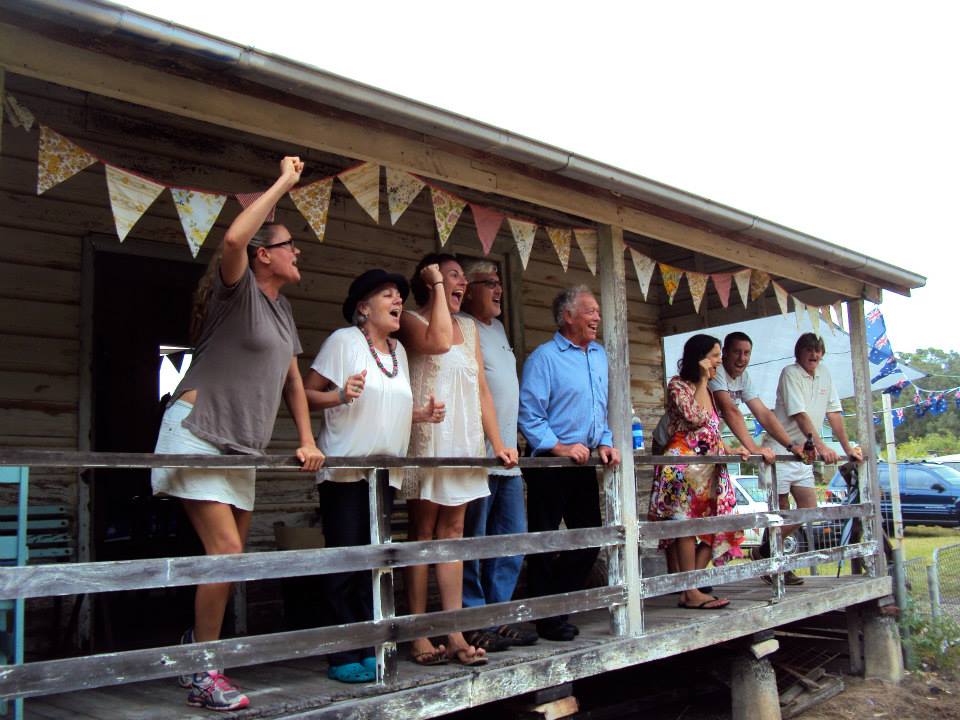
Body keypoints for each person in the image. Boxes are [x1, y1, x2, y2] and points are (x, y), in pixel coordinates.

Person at [152, 157, 324, 711]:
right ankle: (205, 671)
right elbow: (232, 240)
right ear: (263, 254)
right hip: (197, 430)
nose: (298, 253)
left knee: (229, 558)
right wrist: (285, 184)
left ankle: (195, 648)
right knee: (224, 551)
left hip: (241, 446)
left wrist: (307, 439)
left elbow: (293, 382)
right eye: (290, 245)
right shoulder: (238, 289)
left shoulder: (283, 311)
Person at [303, 268, 446, 683]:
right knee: (346, 563)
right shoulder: (343, 341)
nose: (398, 300)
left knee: (375, 565)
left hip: (384, 474)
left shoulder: (398, 352)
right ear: (363, 308)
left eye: (399, 295)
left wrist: (420, 414)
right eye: (387, 294)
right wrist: (338, 394)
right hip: (346, 472)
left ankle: (371, 646)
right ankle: (342, 653)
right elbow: (306, 393)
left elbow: (387, 406)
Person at [398, 253, 519, 667]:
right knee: (422, 534)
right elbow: (436, 342)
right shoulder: (411, 320)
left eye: (462, 277)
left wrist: (497, 442)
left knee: (454, 533)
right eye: (452, 275)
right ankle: (419, 631)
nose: (461, 282)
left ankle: (453, 631)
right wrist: (435, 286)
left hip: (465, 441)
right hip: (429, 439)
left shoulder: (469, 327)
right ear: (428, 278)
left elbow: (482, 387)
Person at [518, 286, 621, 641]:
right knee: (545, 542)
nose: (597, 317)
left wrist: (605, 441)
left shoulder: (599, 355)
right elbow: (529, 414)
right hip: (550, 464)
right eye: (590, 311)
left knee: (589, 540)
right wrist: (559, 447)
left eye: (598, 312)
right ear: (568, 316)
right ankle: (547, 619)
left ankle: (554, 605)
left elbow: (600, 408)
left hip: (583, 462)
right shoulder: (544, 358)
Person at [459, 259, 537, 651]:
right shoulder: (462, 326)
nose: (498, 289)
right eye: (488, 283)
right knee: (474, 542)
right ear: (468, 290)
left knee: (511, 541)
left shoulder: (500, 329)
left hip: (509, 458)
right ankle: (473, 619)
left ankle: (498, 615)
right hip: (480, 456)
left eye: (498, 282)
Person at [647, 334, 748, 610]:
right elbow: (694, 417)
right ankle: (690, 591)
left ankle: (691, 586)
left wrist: (731, 448)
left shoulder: (709, 389)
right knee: (686, 527)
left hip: (708, 468)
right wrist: (703, 380)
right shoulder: (678, 385)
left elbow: (712, 430)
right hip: (682, 467)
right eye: (714, 356)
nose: (718, 361)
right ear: (699, 358)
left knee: (718, 524)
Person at [756, 333, 863, 584]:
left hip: (803, 453)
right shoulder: (790, 373)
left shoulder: (824, 373)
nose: (814, 354)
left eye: (818, 350)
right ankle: (776, 566)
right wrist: (822, 446)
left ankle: (765, 553)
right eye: (809, 350)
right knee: (781, 512)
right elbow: (799, 414)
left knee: (809, 509)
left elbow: (834, 413)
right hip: (781, 450)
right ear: (799, 353)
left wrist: (847, 448)